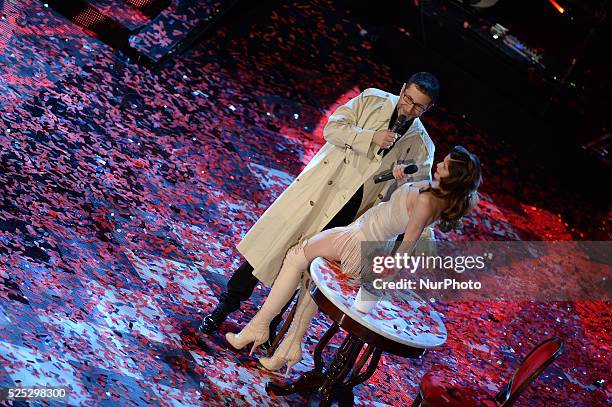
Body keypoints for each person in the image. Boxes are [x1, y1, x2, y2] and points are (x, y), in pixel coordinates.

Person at [198, 73, 441, 345]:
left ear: (427, 109)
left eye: (418, 106)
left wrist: (400, 183)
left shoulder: (422, 146)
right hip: (320, 193)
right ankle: (223, 309)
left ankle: (267, 328)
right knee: (266, 253)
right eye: (407, 99)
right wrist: (370, 136)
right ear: (402, 88)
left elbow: (410, 202)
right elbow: (332, 129)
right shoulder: (372, 100)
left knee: (303, 267)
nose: (409, 108)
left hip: (353, 213)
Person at [226, 146, 482, 374]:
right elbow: (397, 211)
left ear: (454, 178)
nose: (439, 165)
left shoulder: (429, 200)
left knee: (296, 257)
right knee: (311, 278)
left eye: (445, 166)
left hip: (361, 239)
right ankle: (289, 349)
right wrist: (400, 182)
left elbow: (408, 242)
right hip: (367, 235)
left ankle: (258, 328)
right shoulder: (433, 191)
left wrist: (386, 273)